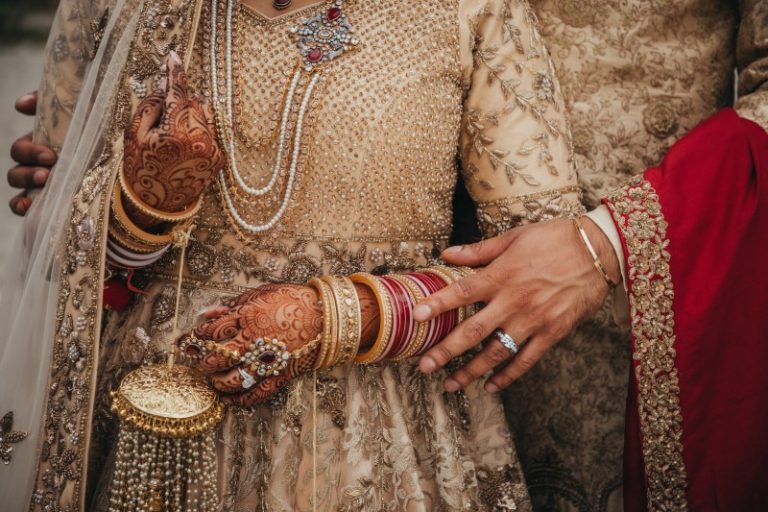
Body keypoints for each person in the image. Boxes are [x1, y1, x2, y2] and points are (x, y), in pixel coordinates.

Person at [7, 2, 767, 511]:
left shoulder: (467, 12)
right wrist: (131, 197)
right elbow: (65, 227)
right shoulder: (140, 12)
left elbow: (523, 249)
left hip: (445, 392)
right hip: (160, 421)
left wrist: (607, 239)